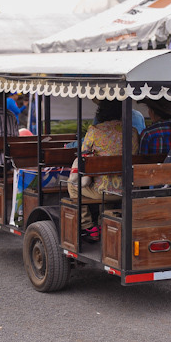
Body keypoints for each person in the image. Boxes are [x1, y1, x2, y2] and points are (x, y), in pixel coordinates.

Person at [67, 99, 139, 240]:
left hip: (103, 191)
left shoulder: (95, 131)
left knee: (72, 185)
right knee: (107, 182)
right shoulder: (133, 132)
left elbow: (83, 156)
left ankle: (87, 225)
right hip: (127, 189)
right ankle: (103, 223)